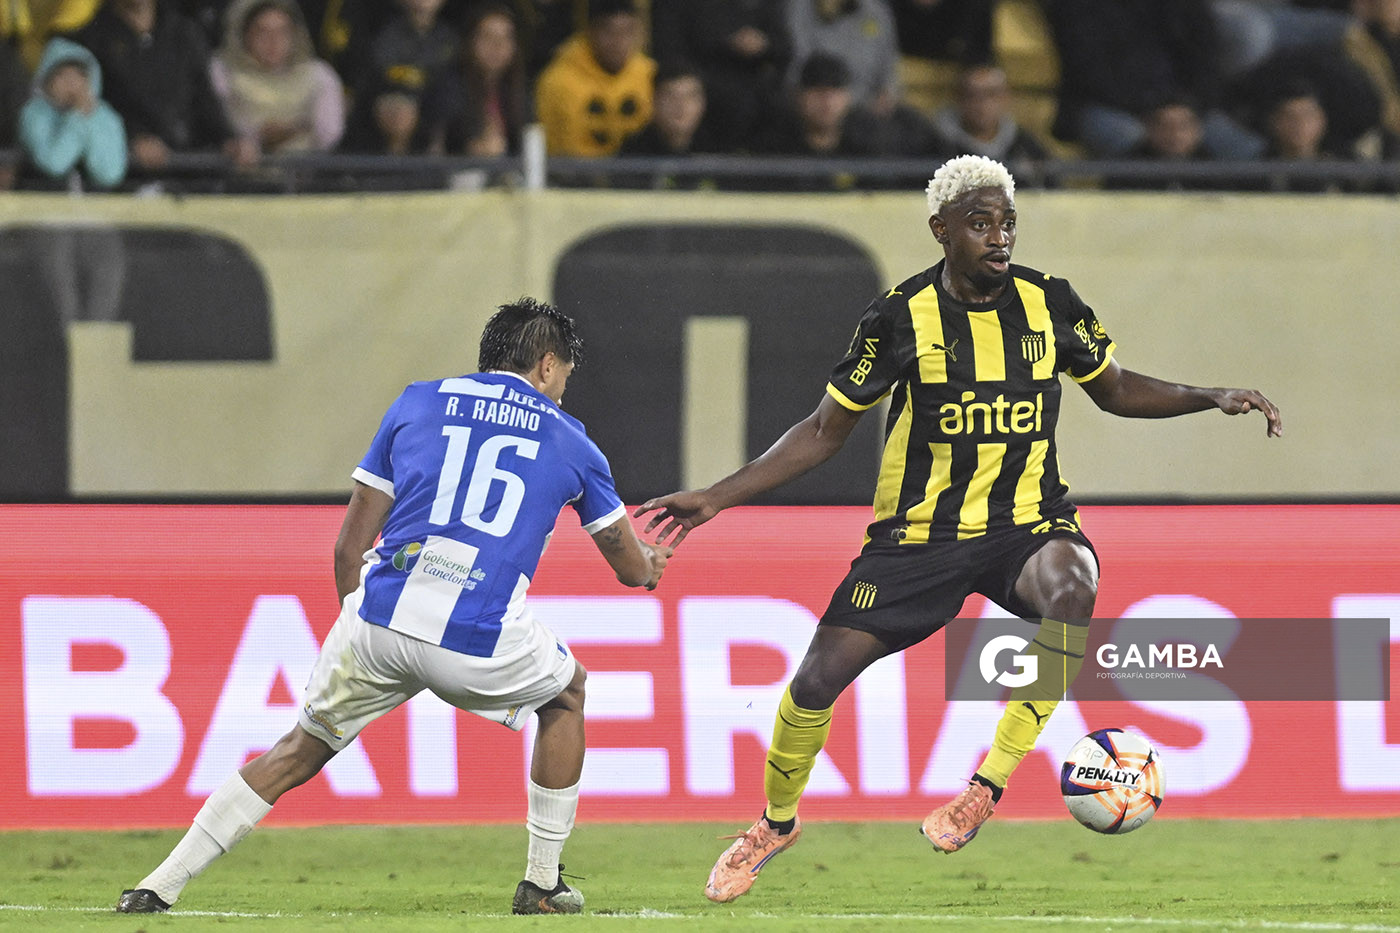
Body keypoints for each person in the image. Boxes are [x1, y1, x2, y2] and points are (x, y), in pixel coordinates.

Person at [635, 154, 1282, 904]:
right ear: (941, 230)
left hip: (1026, 524)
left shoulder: (1052, 304)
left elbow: (1113, 388)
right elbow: (823, 429)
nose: (998, 237)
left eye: (1007, 222)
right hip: (919, 537)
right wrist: (719, 495)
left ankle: (985, 785)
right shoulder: (897, 317)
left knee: (1074, 588)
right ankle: (775, 823)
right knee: (815, 680)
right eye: (980, 223)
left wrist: (1211, 395)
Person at [115, 297, 672, 916]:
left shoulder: (417, 401)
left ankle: (156, 886)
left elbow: (348, 547)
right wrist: (651, 564)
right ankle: (542, 883)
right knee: (566, 696)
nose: (564, 391)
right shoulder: (572, 441)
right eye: (565, 376)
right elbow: (628, 569)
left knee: (298, 749)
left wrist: (359, 632)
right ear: (546, 365)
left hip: (377, 616)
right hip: (475, 634)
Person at [71, 0, 257, 174]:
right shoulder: (89, 37)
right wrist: (131, 138)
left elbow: (205, 98)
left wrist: (229, 139)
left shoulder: (185, 32)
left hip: (190, 167)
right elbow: (91, 106)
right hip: (124, 173)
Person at [209, 0, 345, 156]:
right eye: (262, 32)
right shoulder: (223, 72)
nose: (273, 41)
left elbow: (329, 134)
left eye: (282, 32)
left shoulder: (318, 76)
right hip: (240, 173)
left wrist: (295, 130)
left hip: (305, 173)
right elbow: (219, 125)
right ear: (245, 35)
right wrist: (259, 137)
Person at [534, 0, 654, 156]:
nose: (618, 42)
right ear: (591, 32)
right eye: (610, 32)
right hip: (573, 176)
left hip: (638, 175)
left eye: (627, 32)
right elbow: (550, 147)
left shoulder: (649, 75)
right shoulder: (557, 81)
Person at [18, 36, 126, 189]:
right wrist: (77, 118)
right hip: (44, 202)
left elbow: (110, 174)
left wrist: (89, 119)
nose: (71, 83)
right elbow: (54, 164)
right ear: (46, 80)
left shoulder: (105, 116)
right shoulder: (34, 114)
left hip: (96, 206)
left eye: (78, 75)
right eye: (62, 75)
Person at [430, 2, 529, 156]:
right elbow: (441, 145)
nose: (498, 46)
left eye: (506, 38)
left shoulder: (519, 89)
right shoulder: (449, 87)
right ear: (470, 41)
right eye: (488, 37)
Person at [929, 63, 1050, 166]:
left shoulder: (1024, 147)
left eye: (991, 94)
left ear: (1006, 98)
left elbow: (1051, 187)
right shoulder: (935, 147)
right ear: (959, 99)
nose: (982, 103)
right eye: (972, 95)